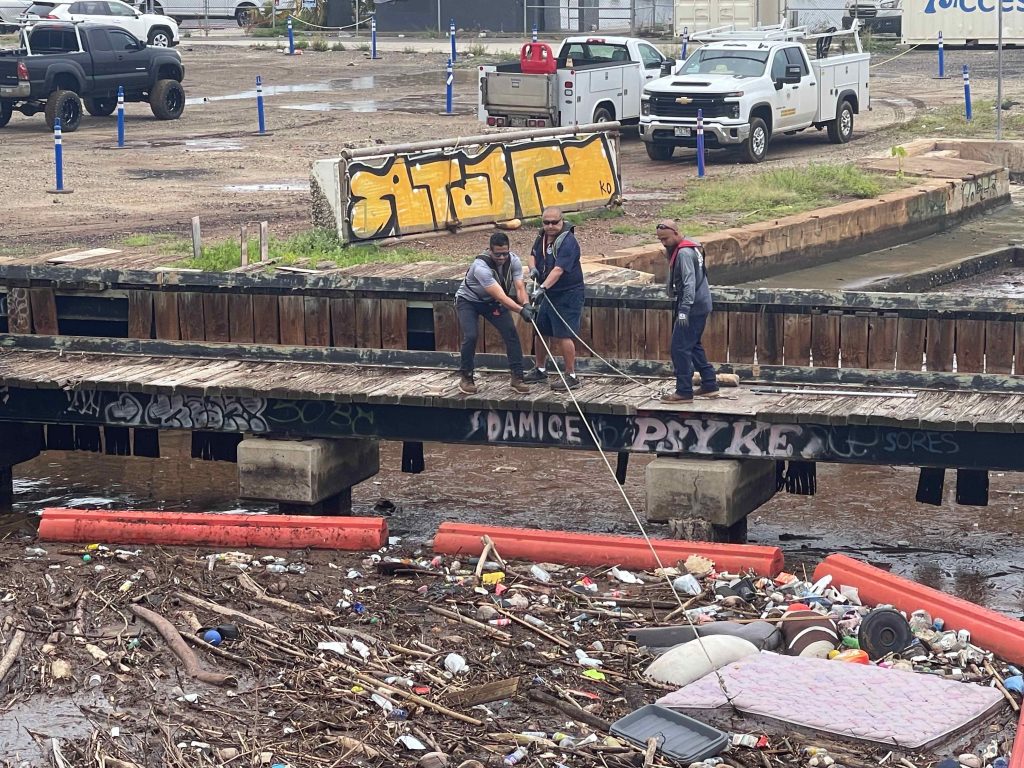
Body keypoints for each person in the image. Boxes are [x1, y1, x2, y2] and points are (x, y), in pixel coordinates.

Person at [455, 232, 537, 395]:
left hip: (491, 303)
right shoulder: (481, 267)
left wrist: (526, 304)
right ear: (489, 250)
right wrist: (521, 311)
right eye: (497, 254)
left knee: (511, 333)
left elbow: (520, 287)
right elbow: (500, 295)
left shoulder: (513, 261)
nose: (501, 257)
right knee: (471, 336)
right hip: (469, 301)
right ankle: (466, 376)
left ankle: (517, 377)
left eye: (505, 253)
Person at [656, 219, 719, 404]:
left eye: (666, 239)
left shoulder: (683, 253)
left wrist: (684, 309)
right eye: (660, 240)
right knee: (693, 344)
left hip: (692, 306)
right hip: (702, 302)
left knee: (679, 348)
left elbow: (689, 282)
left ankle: (683, 391)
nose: (663, 243)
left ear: (676, 233)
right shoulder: (694, 246)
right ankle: (709, 384)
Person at [523, 206, 585, 391]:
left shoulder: (568, 242)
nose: (550, 226)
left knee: (564, 334)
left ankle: (571, 375)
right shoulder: (541, 237)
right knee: (541, 330)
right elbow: (532, 255)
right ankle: (540, 369)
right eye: (546, 222)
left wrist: (542, 287)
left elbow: (558, 270)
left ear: (562, 221)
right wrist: (532, 268)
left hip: (567, 293)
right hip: (548, 293)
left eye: (554, 222)